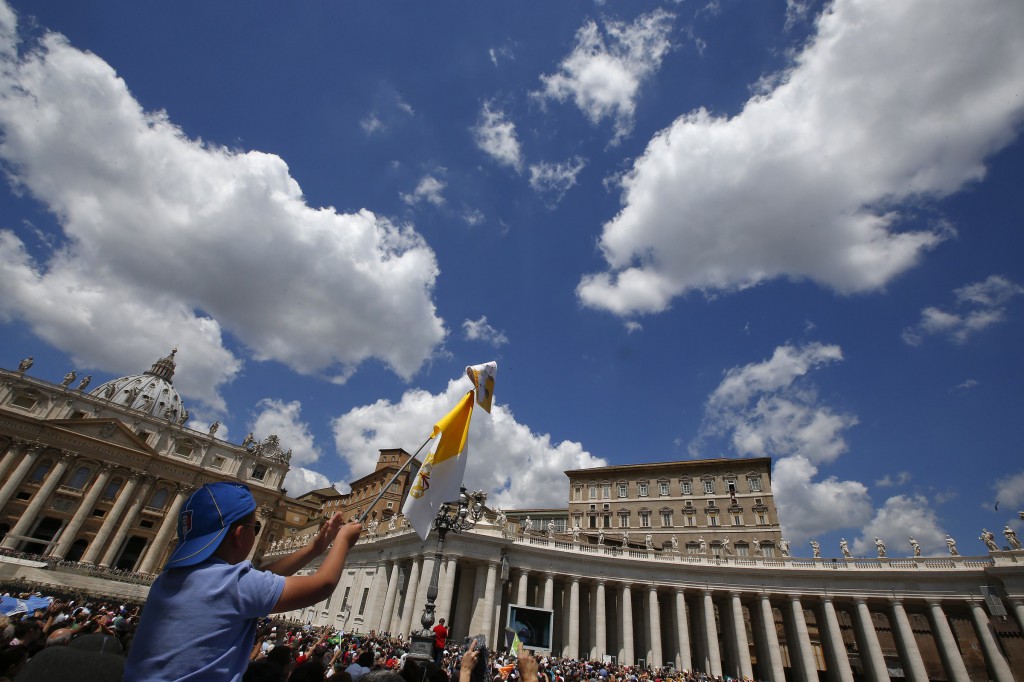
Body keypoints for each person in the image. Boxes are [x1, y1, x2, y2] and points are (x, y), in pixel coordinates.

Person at [123, 482, 362, 681]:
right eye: (255, 527)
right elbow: (322, 585)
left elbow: (265, 576)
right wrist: (342, 541)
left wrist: (315, 548)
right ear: (239, 535)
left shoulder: (169, 580)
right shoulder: (234, 585)